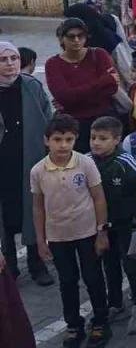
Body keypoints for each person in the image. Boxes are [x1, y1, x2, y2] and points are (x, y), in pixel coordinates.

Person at [31, 114, 112, 348]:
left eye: (69, 139)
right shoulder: (38, 171)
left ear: (76, 139)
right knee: (67, 281)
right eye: (57, 139)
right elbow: (38, 207)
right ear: (46, 140)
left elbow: (98, 198)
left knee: (93, 278)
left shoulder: (85, 163)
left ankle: (100, 321)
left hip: (87, 233)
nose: (63, 145)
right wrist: (40, 241)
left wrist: (101, 232)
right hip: (58, 236)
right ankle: (74, 325)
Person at [0, 42, 55, 286]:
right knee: (5, 215)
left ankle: (36, 263)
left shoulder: (31, 86)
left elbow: (49, 121)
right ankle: (9, 265)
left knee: (33, 210)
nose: (10, 64)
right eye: (3, 59)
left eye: (13, 58)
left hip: (30, 159)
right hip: (4, 163)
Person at [45, 19, 120, 153]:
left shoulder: (99, 54)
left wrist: (74, 97)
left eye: (81, 36)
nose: (77, 40)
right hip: (73, 125)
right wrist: (102, 82)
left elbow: (112, 88)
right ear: (62, 39)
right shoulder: (53, 64)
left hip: (103, 120)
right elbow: (63, 96)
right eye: (71, 36)